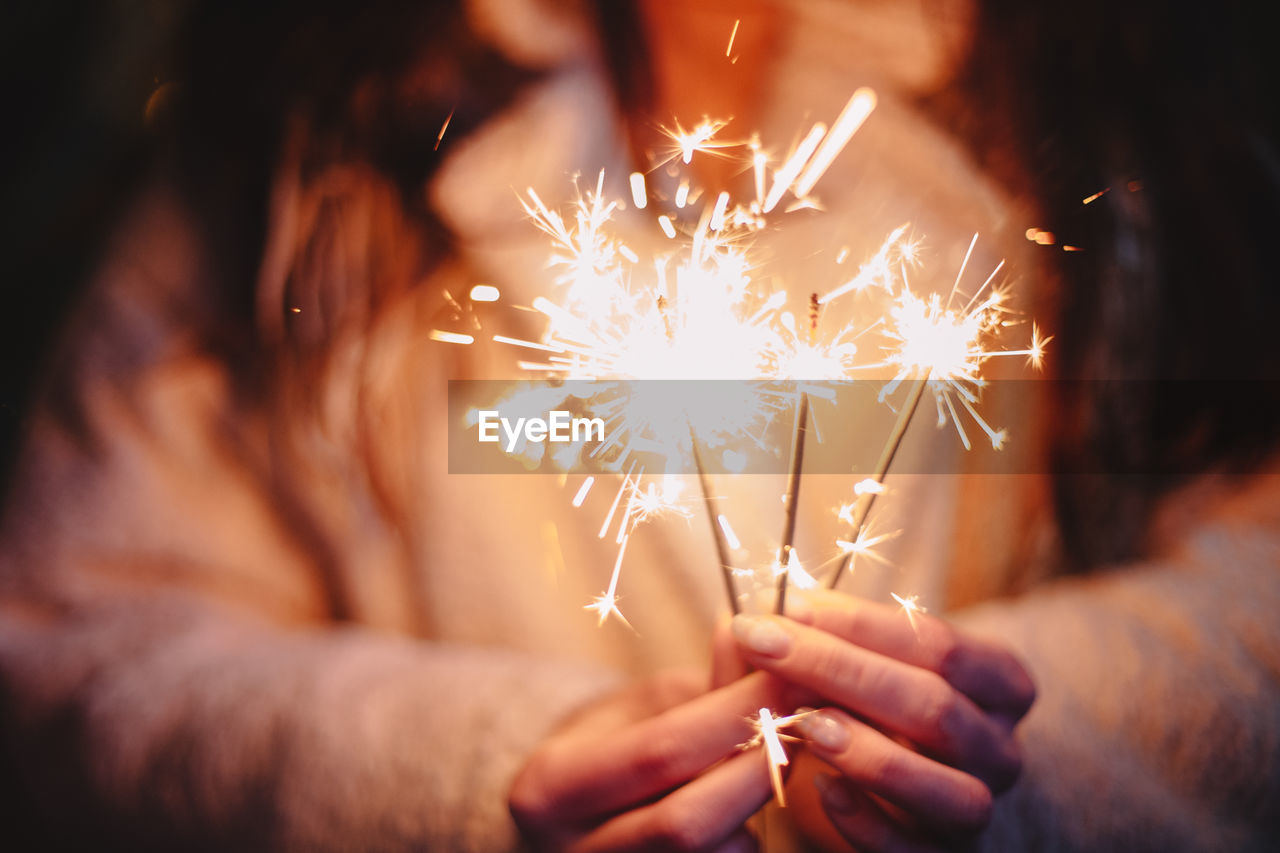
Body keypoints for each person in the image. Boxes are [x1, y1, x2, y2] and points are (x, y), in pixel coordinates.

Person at [2, 2, 1277, 852]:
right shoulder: (308, 111)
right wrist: (486, 764)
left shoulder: (1120, 97)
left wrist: (1010, 759)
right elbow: (77, 645)